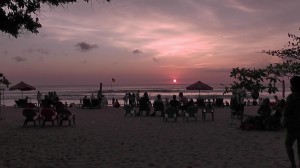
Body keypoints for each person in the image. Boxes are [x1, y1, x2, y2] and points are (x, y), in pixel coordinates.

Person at [283, 76, 300, 168]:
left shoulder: (291, 97)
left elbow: (286, 112)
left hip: (293, 127)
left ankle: (293, 164)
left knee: (288, 144)